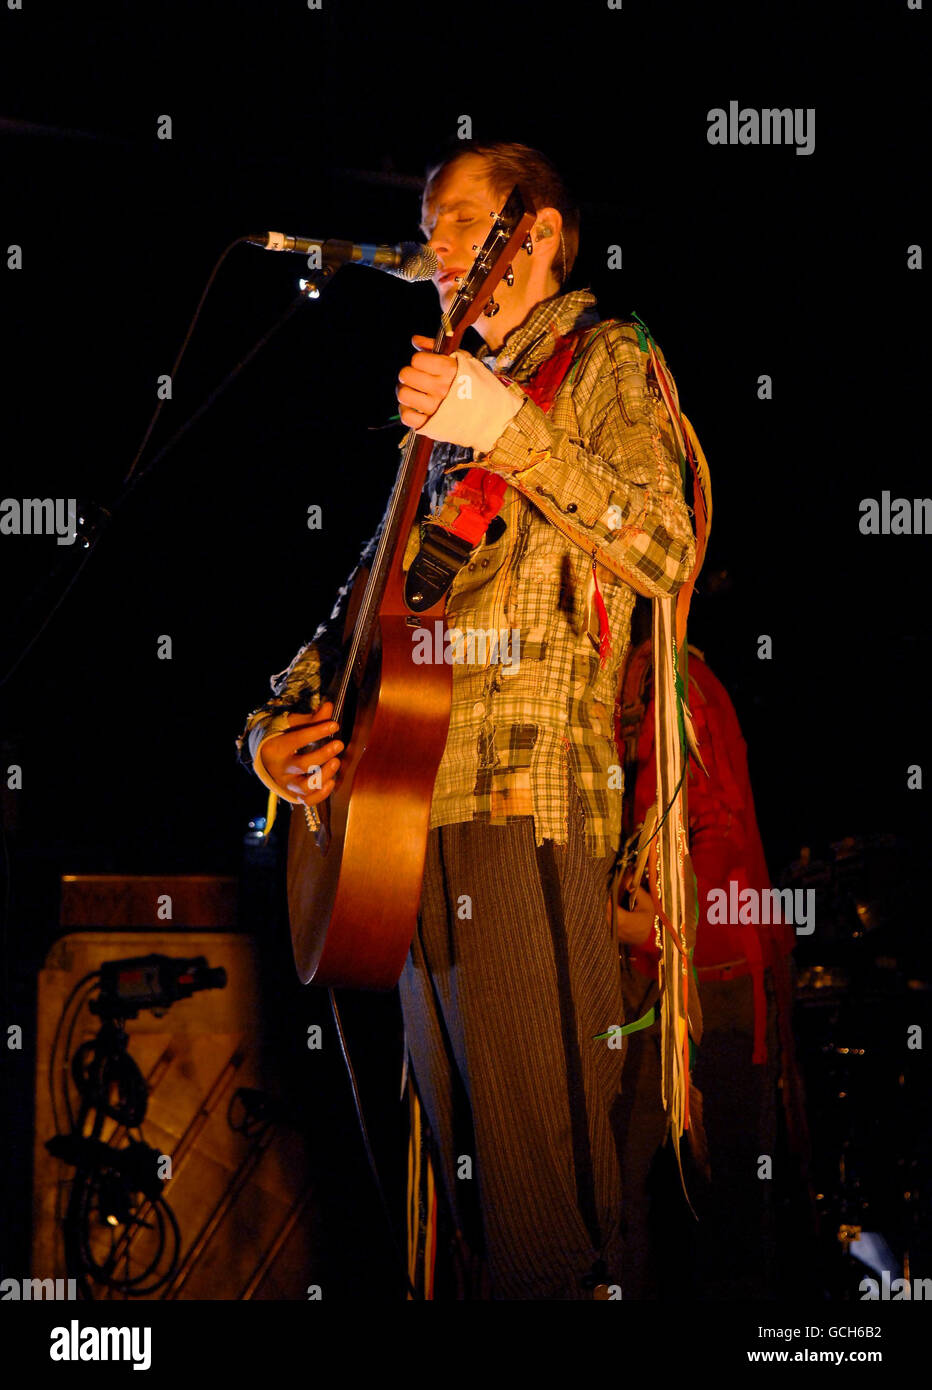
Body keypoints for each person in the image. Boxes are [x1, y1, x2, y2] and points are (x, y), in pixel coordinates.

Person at [237, 141, 697, 1299]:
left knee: (555, 1221)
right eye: (431, 228)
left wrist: (509, 429)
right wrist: (266, 734)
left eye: (458, 224)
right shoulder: (436, 435)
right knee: (475, 1218)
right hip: (403, 844)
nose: (433, 250)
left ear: (530, 237)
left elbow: (663, 545)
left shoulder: (602, 359)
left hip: (525, 819)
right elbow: (343, 633)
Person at [613, 625, 804, 1298]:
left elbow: (714, 829)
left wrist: (652, 928)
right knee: (707, 1210)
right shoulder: (669, 680)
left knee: (692, 1210)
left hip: (701, 984)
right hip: (702, 975)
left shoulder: (667, 681)